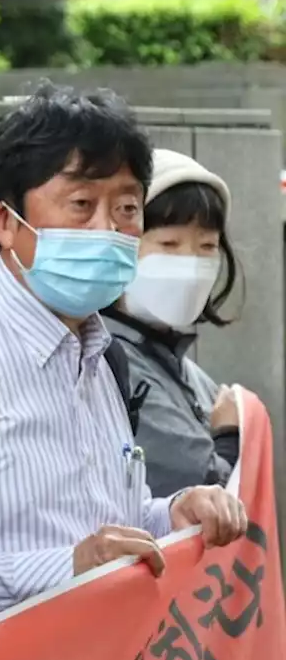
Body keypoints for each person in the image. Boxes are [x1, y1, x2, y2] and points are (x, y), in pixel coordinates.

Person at [0, 83, 248, 635]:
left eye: (127, 208)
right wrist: (65, 570)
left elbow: (104, 527)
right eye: (81, 205)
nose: (108, 230)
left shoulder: (103, 357)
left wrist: (172, 514)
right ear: (5, 222)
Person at [102, 149, 242, 495]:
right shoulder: (108, 359)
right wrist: (230, 436)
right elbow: (200, 485)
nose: (191, 265)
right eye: (168, 243)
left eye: (207, 246)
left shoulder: (182, 367)